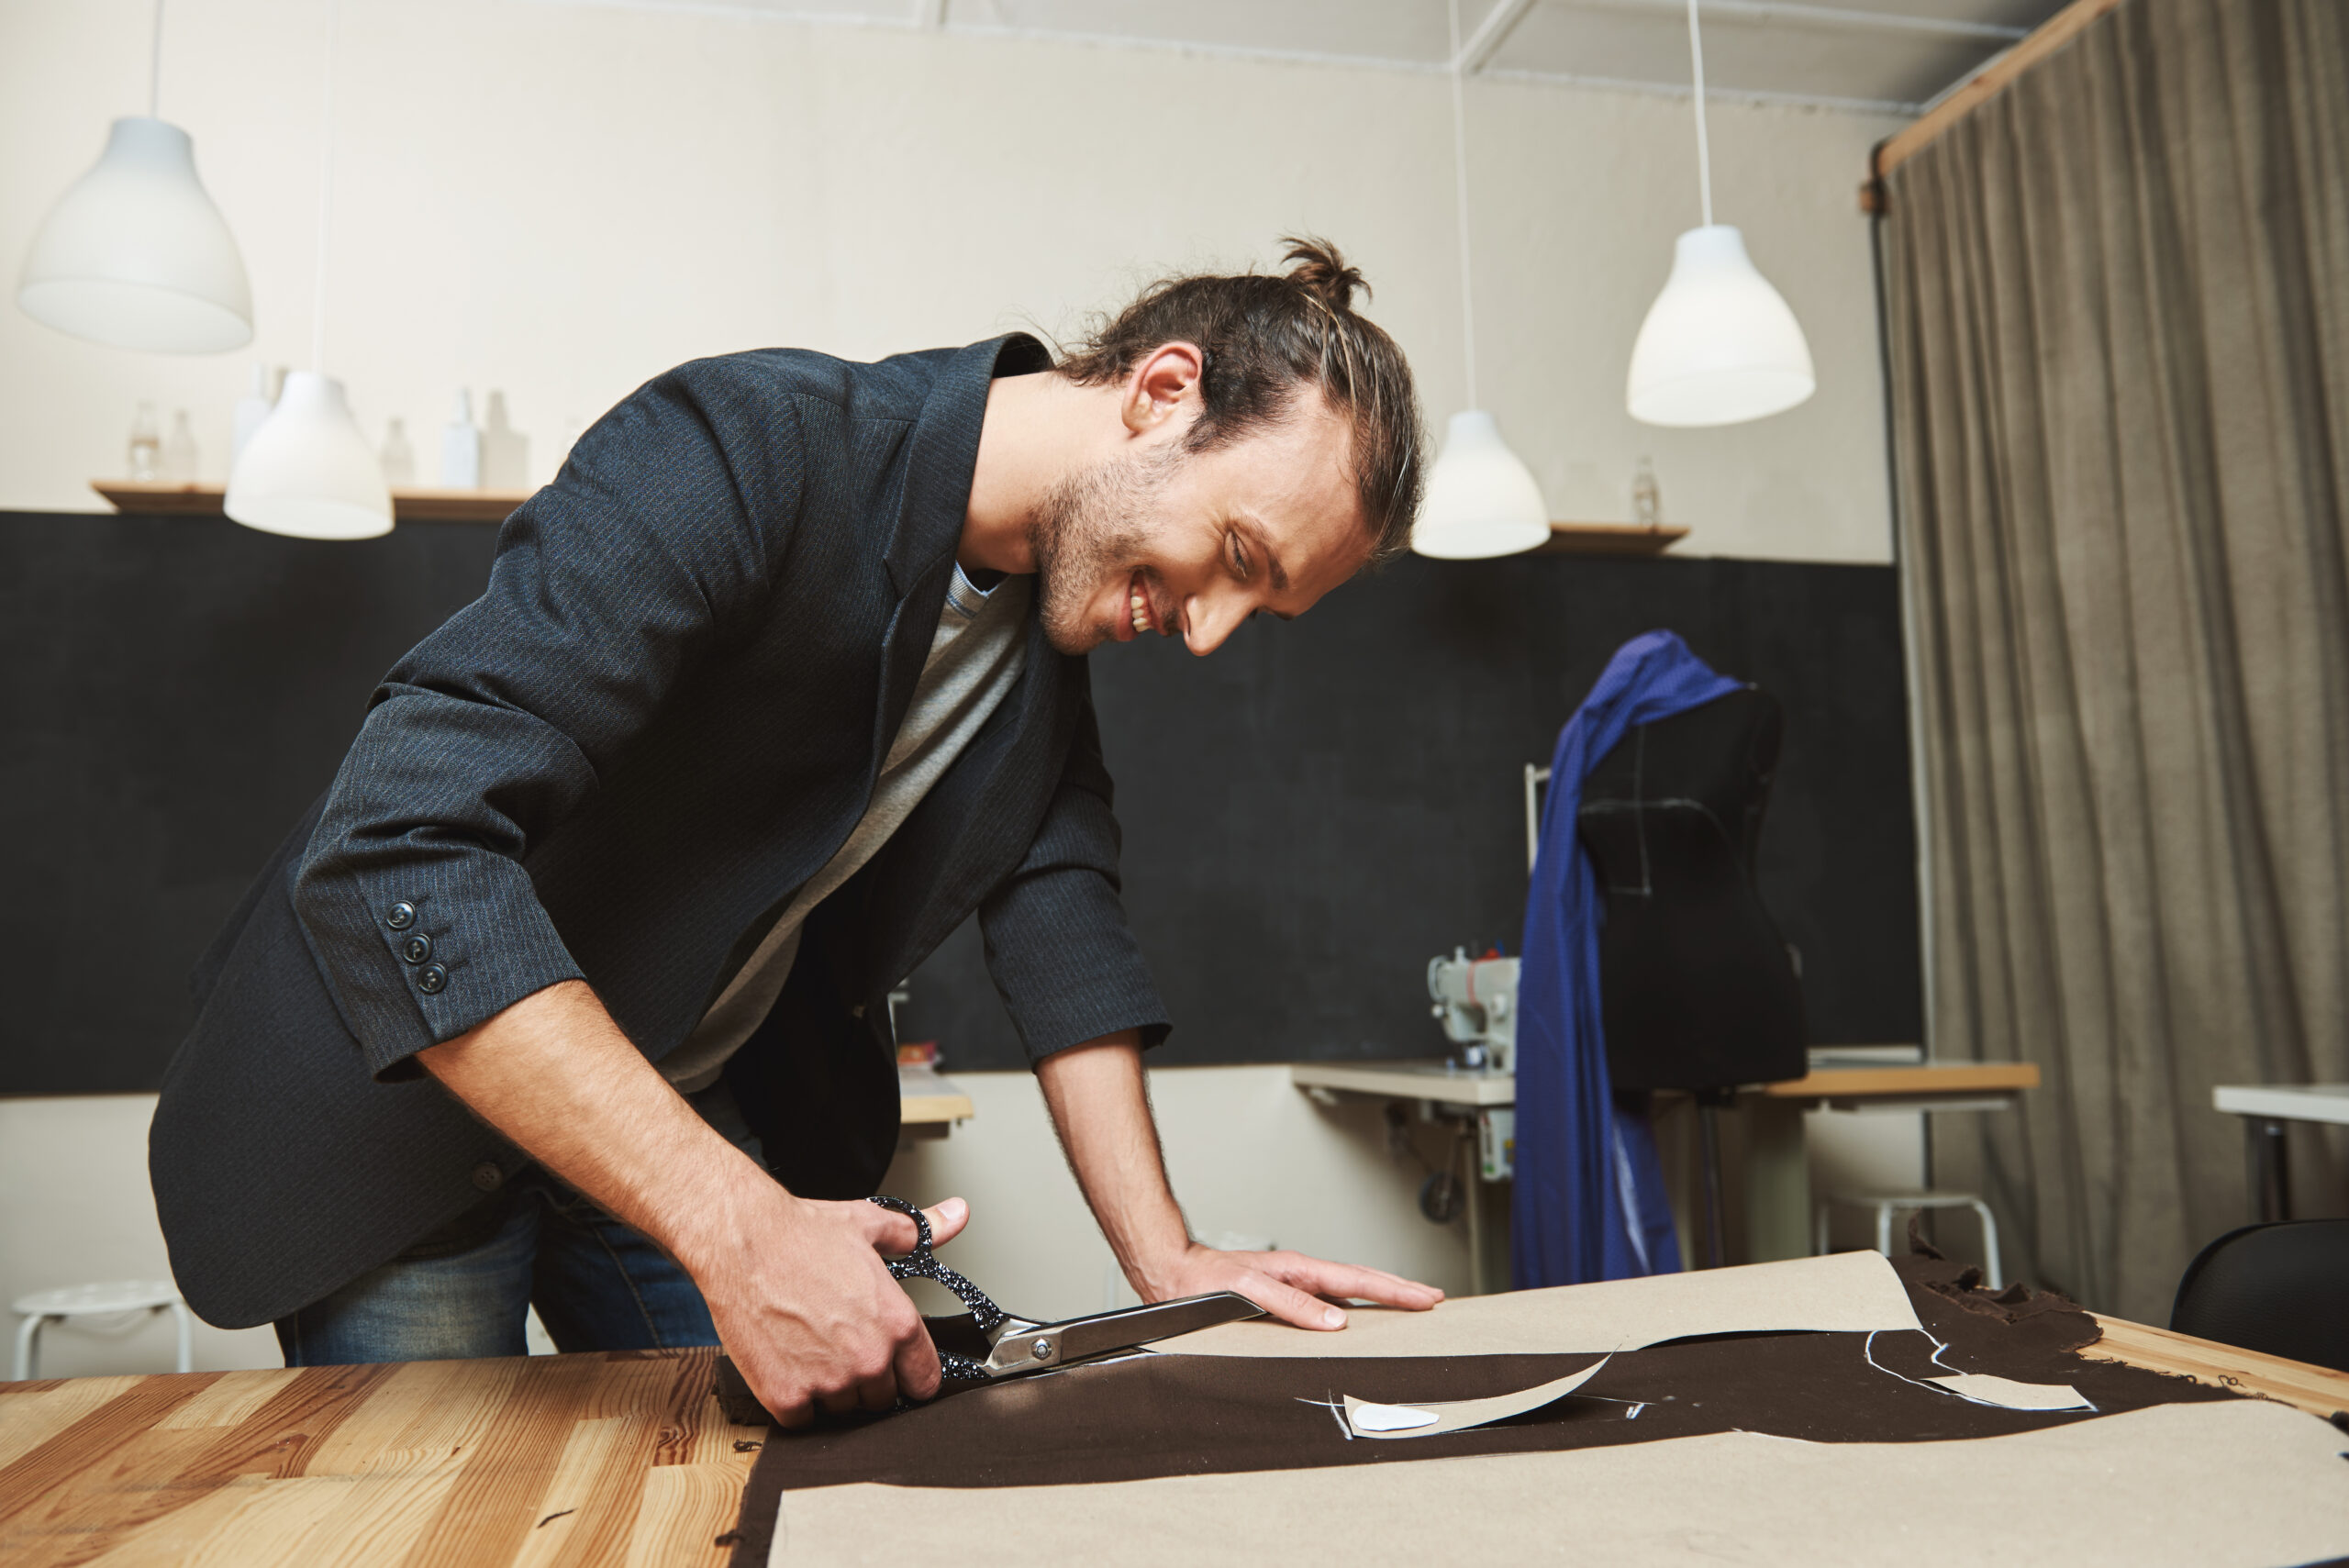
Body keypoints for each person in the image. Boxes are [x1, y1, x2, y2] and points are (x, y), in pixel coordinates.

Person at [150, 237, 1442, 1426]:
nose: (1208, 631)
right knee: (445, 1528)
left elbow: (1064, 922)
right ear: (1163, 391)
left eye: (1255, 610)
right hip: (415, 1105)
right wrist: (738, 1226)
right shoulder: (742, 445)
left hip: (668, 1097)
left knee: (803, 1460)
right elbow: (397, 844)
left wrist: (1168, 1258)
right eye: (1234, 554)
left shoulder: (1042, 640)